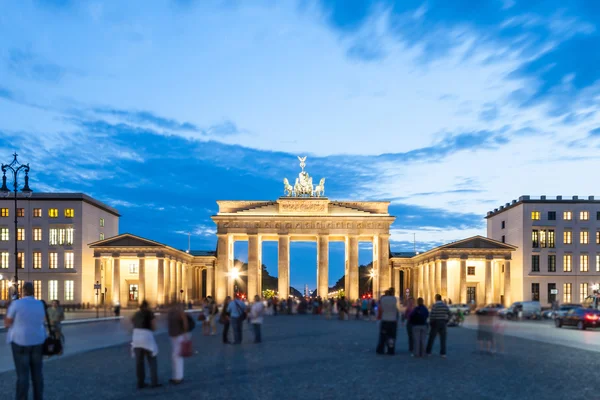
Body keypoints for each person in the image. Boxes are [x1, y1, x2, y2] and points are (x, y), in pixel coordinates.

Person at [5, 282, 46, 400]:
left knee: (23, 375)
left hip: (20, 341)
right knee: (37, 374)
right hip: (38, 340)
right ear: (34, 291)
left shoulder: (17, 304)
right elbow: (42, 320)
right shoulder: (40, 304)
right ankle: (38, 397)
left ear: (23, 291)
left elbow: (7, 323)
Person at [131, 300, 161, 389]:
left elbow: (132, 324)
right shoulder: (150, 314)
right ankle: (154, 382)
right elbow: (154, 327)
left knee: (139, 363)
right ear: (147, 306)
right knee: (152, 360)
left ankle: (140, 383)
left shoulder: (136, 314)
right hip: (146, 337)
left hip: (136, 338)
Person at [167, 303, 189, 385]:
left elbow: (185, 323)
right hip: (174, 336)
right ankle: (176, 376)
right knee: (175, 356)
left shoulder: (179, 312)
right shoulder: (172, 312)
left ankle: (178, 377)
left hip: (179, 335)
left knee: (177, 356)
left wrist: (185, 333)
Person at [426, 293, 451, 358]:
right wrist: (446, 320)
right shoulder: (444, 305)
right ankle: (443, 353)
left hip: (436, 322)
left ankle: (428, 352)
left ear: (436, 298)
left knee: (431, 338)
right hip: (443, 323)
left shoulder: (435, 305)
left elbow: (432, 314)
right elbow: (449, 313)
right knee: (443, 339)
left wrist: (431, 322)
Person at [376, 288, 399, 355]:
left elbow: (380, 308)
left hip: (385, 320)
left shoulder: (383, 299)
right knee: (392, 337)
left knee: (383, 336)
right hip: (393, 321)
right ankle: (391, 350)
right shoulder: (394, 299)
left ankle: (380, 349)